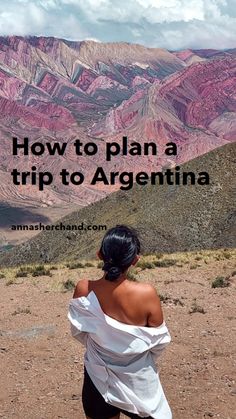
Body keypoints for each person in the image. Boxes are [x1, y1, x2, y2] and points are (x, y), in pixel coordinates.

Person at [68, 224, 172, 419]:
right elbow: (159, 342)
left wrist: (105, 344)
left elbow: (78, 331)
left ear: (99, 254)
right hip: (139, 382)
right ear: (135, 260)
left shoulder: (84, 289)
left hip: (97, 378)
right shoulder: (147, 294)